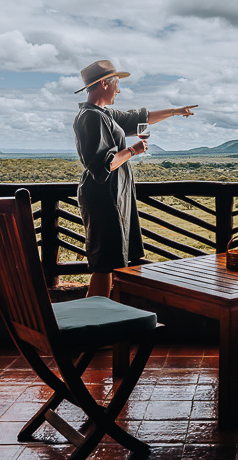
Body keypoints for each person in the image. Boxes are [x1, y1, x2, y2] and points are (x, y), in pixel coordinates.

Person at [74, 59, 197, 297]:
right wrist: (133, 151)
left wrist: (174, 111)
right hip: (103, 198)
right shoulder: (91, 117)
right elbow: (104, 165)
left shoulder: (102, 114)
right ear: (104, 84)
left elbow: (139, 118)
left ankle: (104, 317)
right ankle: (92, 321)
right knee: (103, 266)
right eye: (117, 84)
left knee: (111, 263)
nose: (119, 90)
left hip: (112, 197)